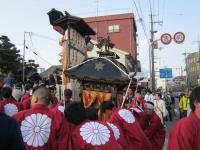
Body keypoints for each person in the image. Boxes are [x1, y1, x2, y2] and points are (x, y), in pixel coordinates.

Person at [13, 86, 70, 150]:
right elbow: (63, 144)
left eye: (31, 98)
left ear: (35, 99)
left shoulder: (17, 117)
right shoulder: (58, 118)